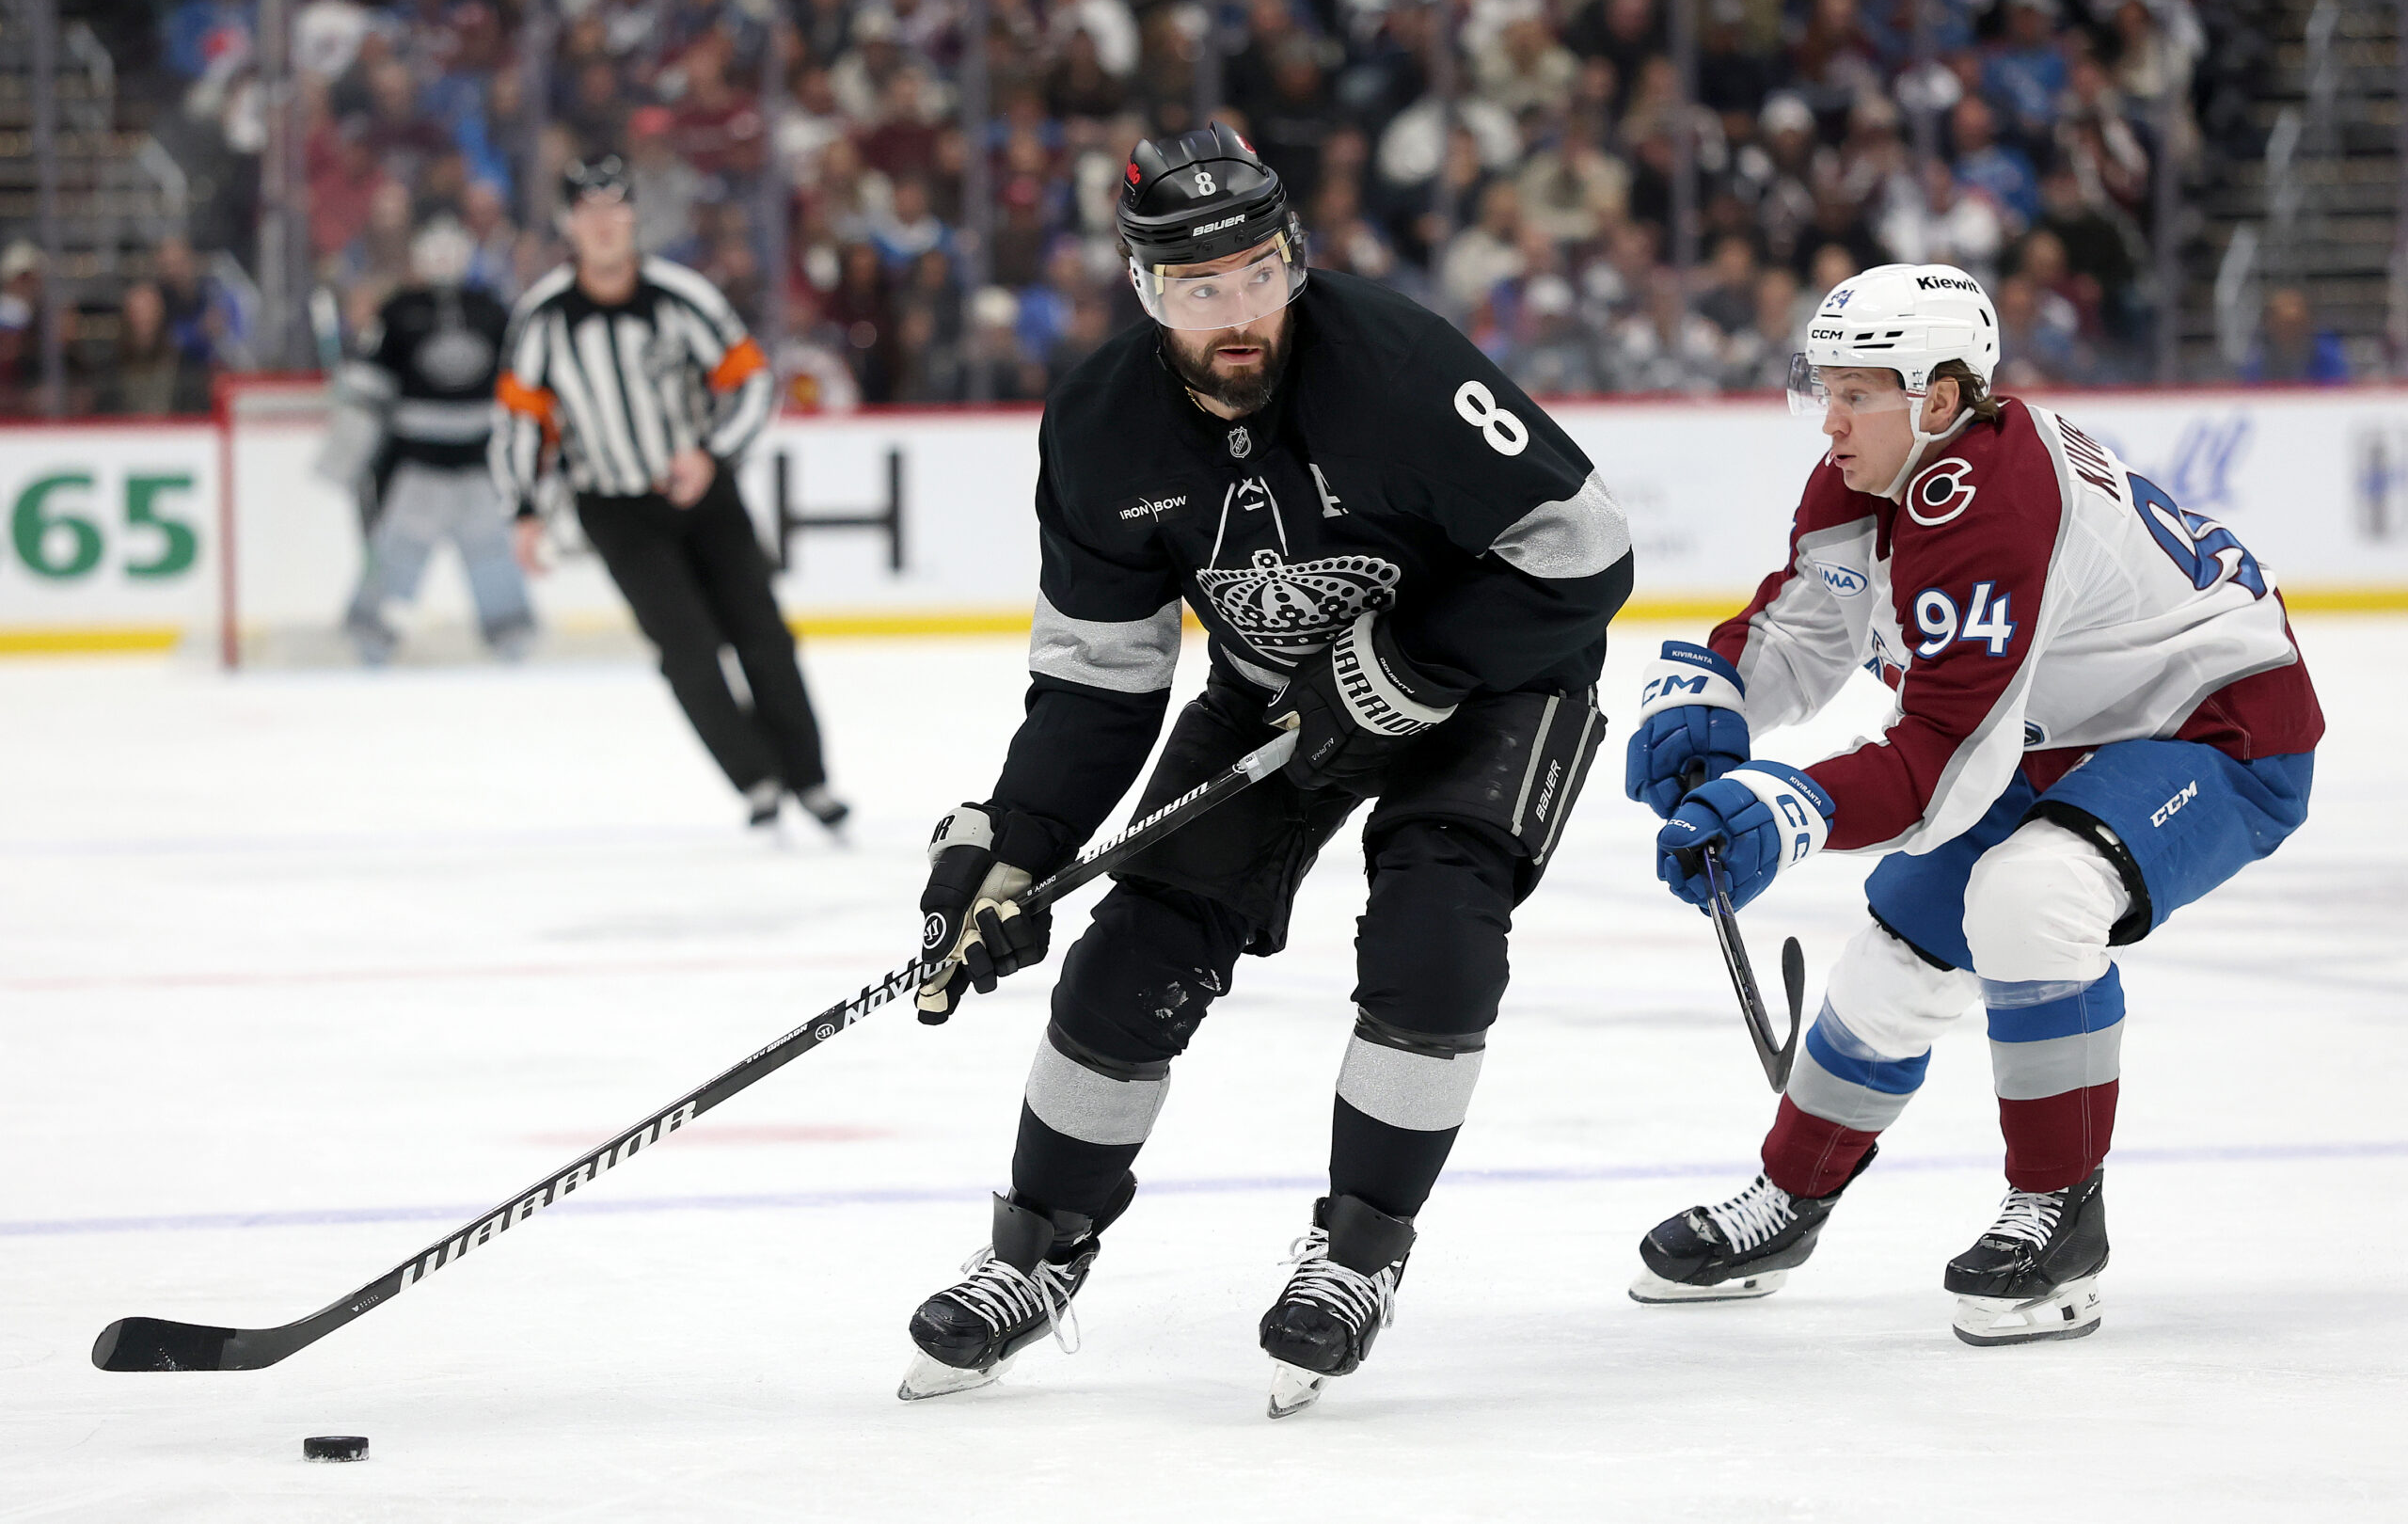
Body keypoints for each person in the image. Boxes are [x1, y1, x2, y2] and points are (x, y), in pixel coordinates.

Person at [895, 124, 1633, 1415]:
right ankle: (1036, 1249)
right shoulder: (1100, 427)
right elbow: (1098, 675)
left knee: (1434, 928)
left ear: (1293, 257)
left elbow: (1585, 549)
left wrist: (1412, 659)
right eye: (1199, 289)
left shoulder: (1396, 365)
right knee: (1134, 953)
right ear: (1144, 290)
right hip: (1278, 692)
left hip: (1496, 675)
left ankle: (1357, 1254)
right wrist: (1015, 841)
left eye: (1260, 274)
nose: (1239, 314)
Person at [1622, 263, 2321, 1345]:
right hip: (2057, 723)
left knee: (2029, 897)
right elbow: (1807, 628)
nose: (1830, 420)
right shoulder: (1875, 471)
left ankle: (2059, 1213)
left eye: (1857, 394)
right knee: (1898, 951)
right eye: (1824, 389)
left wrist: (1790, 804)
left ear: (1939, 398)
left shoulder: (1989, 501)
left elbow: (1943, 761)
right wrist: (1714, 693)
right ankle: (1788, 1199)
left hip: (2214, 723)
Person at [490, 155, 848, 837]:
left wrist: (711, 453)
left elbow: (752, 380)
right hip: (615, 507)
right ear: (569, 224)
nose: (603, 225)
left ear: (633, 216)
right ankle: (757, 780)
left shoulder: (682, 297)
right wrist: (524, 509)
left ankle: (811, 779)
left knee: (763, 636)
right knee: (686, 649)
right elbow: (518, 421)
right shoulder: (543, 318)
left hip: (704, 495)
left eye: (614, 209)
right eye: (588, 212)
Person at [328, 218, 534, 663]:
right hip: (417, 462)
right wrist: (348, 447)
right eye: (434, 250)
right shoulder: (398, 310)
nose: (443, 259)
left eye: (451, 248)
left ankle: (511, 635)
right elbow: (371, 381)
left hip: (480, 460)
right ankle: (369, 634)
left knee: (491, 549)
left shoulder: (491, 308)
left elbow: (521, 374)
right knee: (397, 548)